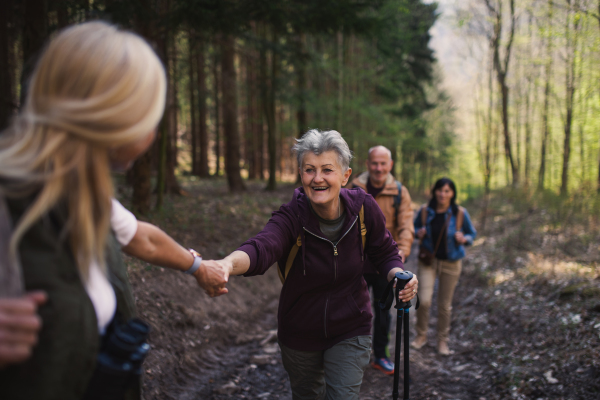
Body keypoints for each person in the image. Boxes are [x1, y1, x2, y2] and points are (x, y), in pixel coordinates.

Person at [0, 22, 225, 399]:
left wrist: (198, 267)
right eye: (149, 114)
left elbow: (142, 238)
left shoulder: (79, 191)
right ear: (113, 117)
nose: (154, 130)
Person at [200, 129, 419, 400]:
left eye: (327, 170)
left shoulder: (363, 209)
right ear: (301, 174)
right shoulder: (292, 216)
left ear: (345, 175)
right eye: (309, 170)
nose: (317, 179)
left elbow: (385, 252)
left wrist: (399, 275)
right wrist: (226, 264)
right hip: (299, 334)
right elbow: (261, 248)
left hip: (351, 328)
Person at [351, 145, 414, 375]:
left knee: (383, 310)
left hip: (384, 264)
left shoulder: (399, 192)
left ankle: (380, 356)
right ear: (367, 164)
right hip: (355, 261)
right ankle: (349, 357)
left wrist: (402, 250)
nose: (378, 168)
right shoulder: (353, 188)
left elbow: (406, 225)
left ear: (390, 165)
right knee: (351, 310)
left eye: (383, 163)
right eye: (374, 163)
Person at [411, 177, 476, 356]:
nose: (443, 194)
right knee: (423, 300)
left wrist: (464, 239)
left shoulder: (460, 213)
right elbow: (413, 229)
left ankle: (442, 341)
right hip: (428, 262)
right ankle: (421, 336)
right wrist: (419, 233)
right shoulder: (425, 211)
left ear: (452, 193)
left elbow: (471, 234)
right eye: (440, 190)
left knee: (444, 305)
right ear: (435, 192)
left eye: (447, 191)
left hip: (451, 263)